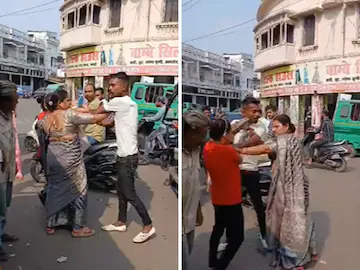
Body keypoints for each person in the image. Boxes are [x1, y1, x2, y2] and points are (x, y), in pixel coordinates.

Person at [236, 114, 318, 270]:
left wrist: (241, 149)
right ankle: (308, 252)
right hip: (296, 186)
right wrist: (251, 136)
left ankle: (295, 260)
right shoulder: (290, 140)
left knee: (292, 221)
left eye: (277, 126)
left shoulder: (286, 141)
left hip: (291, 187)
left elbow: (266, 148)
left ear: (286, 126)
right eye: (272, 127)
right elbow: (267, 146)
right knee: (300, 218)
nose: (274, 129)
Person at [93, 72, 155, 243]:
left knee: (129, 193)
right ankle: (121, 222)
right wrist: (99, 121)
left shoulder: (121, 102)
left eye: (113, 85)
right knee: (120, 191)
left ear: (124, 87)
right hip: (124, 155)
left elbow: (97, 111)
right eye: (109, 85)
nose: (110, 88)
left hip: (127, 157)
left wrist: (91, 115)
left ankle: (148, 225)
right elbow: (108, 122)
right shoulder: (127, 104)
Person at [42, 90, 108, 237]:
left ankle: (51, 224)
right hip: (70, 158)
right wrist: (111, 108)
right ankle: (77, 227)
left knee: (54, 188)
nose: (71, 103)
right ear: (60, 103)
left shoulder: (46, 118)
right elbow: (94, 118)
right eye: (68, 101)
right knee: (79, 188)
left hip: (53, 156)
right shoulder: (69, 115)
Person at [204, 119, 244, 270]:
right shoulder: (228, 151)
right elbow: (239, 159)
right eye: (231, 132)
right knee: (237, 239)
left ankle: (212, 260)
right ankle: (220, 266)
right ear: (225, 135)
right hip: (231, 200)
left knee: (218, 229)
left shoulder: (208, 147)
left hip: (217, 198)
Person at [232, 97, 267, 249]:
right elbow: (224, 141)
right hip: (234, 171)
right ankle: (230, 238)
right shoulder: (234, 125)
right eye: (254, 111)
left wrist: (233, 146)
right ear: (243, 112)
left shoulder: (261, 127)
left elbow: (250, 143)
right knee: (231, 207)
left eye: (259, 111)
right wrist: (239, 128)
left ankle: (264, 234)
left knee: (258, 205)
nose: (258, 114)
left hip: (251, 170)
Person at [182, 110, 210, 270]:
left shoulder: (196, 151)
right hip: (179, 222)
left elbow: (195, 185)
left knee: (189, 253)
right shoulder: (179, 154)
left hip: (190, 218)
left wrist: (198, 209)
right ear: (190, 133)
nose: (203, 140)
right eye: (201, 135)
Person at [0, 80, 19, 260]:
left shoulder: (8, 117)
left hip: (8, 171)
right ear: (4, 101)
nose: (16, 103)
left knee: (4, 207)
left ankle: (1, 233)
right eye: (14, 100)